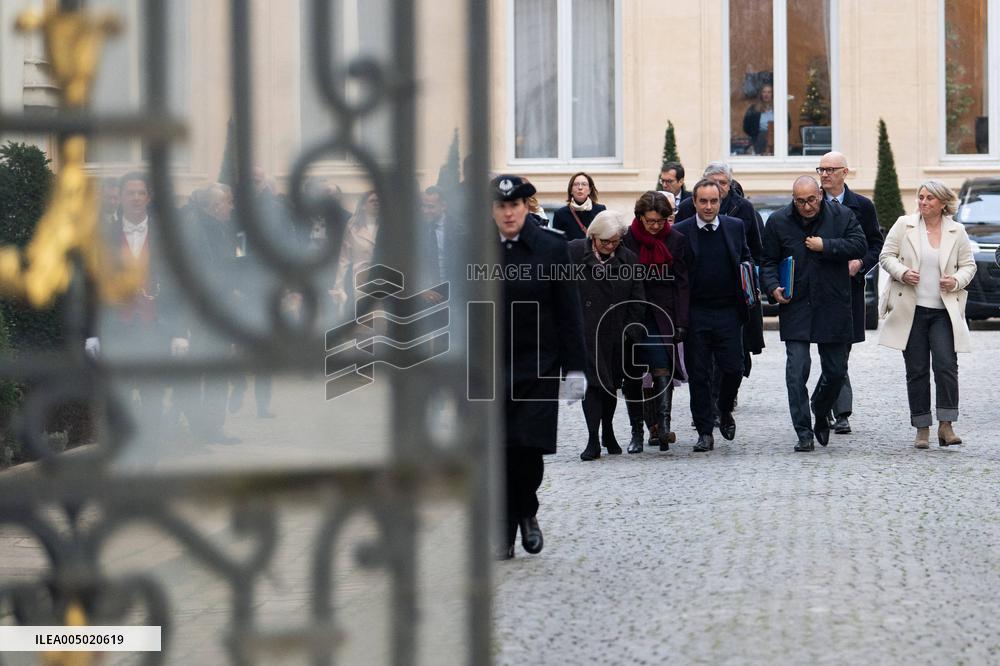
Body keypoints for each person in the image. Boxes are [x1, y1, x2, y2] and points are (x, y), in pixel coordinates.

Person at [493, 174, 586, 559]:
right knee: (498, 451)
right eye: (500, 207)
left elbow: (569, 312)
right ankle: (504, 529)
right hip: (491, 369)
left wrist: (576, 369)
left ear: (525, 206)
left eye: (514, 206)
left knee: (527, 450)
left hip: (538, 367)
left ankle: (527, 514)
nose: (508, 213)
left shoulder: (551, 247)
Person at [759, 176, 867, 451]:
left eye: (811, 200)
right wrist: (772, 288)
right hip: (796, 305)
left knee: (835, 370)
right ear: (792, 199)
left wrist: (826, 246)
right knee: (796, 372)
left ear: (819, 194)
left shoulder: (841, 215)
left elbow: (859, 246)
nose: (806, 206)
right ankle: (803, 432)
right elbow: (768, 261)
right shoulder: (779, 221)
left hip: (832, 304)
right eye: (800, 201)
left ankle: (820, 408)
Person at [878, 180, 977, 449]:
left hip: (944, 311)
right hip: (911, 310)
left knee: (946, 366)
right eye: (921, 197)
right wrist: (902, 272)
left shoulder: (957, 231)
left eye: (930, 198)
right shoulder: (904, 225)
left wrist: (956, 280)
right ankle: (922, 427)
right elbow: (886, 256)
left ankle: (946, 425)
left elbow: (969, 266)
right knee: (917, 369)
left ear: (943, 203)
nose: (923, 202)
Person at [673, 180, 750, 452]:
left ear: (720, 202)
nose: (708, 206)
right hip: (696, 313)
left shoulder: (734, 227)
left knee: (734, 369)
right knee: (699, 374)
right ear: (693, 202)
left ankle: (725, 409)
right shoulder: (680, 232)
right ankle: (704, 431)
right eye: (703, 201)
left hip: (729, 311)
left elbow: (746, 259)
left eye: (713, 201)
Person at [814, 151, 884, 435]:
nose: (825, 174)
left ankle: (829, 405)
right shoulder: (811, 203)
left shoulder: (862, 206)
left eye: (831, 170)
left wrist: (860, 263)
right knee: (829, 351)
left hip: (849, 289)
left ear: (845, 172)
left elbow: (876, 245)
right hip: (819, 290)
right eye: (821, 169)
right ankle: (837, 410)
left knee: (841, 352)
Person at [568, 210, 645, 461]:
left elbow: (637, 297)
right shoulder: (574, 252)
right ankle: (592, 439)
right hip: (584, 331)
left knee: (610, 386)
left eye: (614, 241)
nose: (610, 246)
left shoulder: (628, 259)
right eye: (605, 241)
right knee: (592, 385)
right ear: (593, 237)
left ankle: (608, 431)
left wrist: (631, 328)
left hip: (615, 332)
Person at [621, 191, 691, 453]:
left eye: (660, 221)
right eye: (650, 221)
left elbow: (683, 284)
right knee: (633, 374)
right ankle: (637, 432)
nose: (654, 226)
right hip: (633, 313)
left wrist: (682, 321)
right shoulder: (627, 239)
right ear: (639, 217)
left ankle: (662, 426)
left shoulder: (676, 240)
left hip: (663, 314)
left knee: (662, 366)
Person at [330, 190, 380, 316]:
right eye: (372, 201)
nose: (376, 204)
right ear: (363, 205)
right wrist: (338, 285)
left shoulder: (386, 224)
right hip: (360, 276)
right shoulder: (352, 226)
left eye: (378, 201)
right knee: (364, 317)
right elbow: (344, 257)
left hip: (382, 276)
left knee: (380, 317)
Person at [552, 172, 607, 241]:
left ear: (589, 190)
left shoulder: (600, 210)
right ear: (571, 190)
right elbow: (557, 242)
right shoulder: (560, 214)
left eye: (584, 184)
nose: (580, 188)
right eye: (576, 184)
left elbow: (605, 236)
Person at [742, 83, 774, 155]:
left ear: (772, 94)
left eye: (769, 92)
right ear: (761, 94)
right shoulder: (753, 109)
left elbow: (787, 123)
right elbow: (746, 126)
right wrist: (755, 134)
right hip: (759, 139)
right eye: (764, 92)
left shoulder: (778, 107)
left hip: (775, 139)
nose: (766, 94)